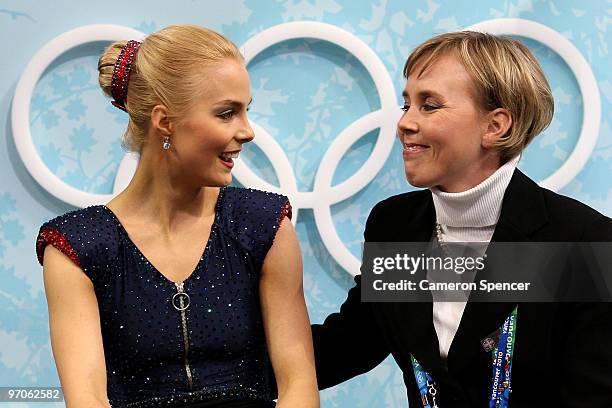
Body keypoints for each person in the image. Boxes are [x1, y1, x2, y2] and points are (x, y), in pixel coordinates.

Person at [311, 31, 612, 406]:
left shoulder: (584, 241)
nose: (405, 123)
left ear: (495, 126)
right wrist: (223, 368)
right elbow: (348, 346)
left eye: (430, 105)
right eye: (408, 105)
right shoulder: (395, 224)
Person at [37, 25, 318, 408]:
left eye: (245, 111)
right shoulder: (78, 249)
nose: (247, 131)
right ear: (165, 122)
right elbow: (86, 399)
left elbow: (299, 386)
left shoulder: (264, 225)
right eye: (226, 113)